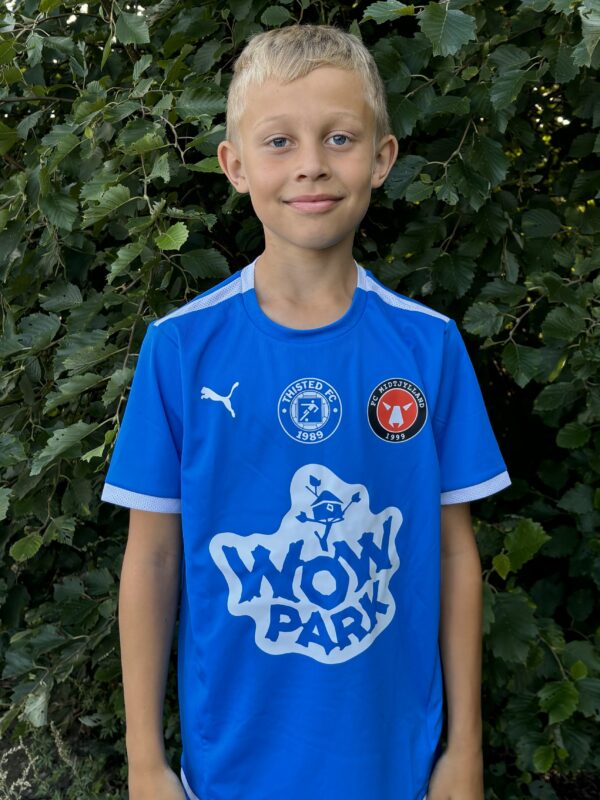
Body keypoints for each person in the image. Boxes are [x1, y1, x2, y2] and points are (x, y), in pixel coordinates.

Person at [101, 24, 511, 800]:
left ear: (382, 158)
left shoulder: (427, 347)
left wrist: (464, 748)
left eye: (340, 138)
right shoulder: (181, 348)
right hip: (230, 771)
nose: (312, 164)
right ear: (235, 165)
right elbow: (152, 560)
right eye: (280, 141)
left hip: (395, 766)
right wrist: (144, 762)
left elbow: (454, 555)